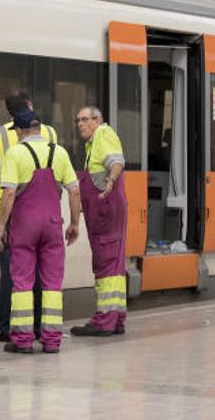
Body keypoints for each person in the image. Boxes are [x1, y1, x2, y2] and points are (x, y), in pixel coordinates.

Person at [0, 109, 81, 353]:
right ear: (40, 129)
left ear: (20, 131)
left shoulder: (16, 153)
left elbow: (9, 193)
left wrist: (2, 227)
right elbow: (74, 191)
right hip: (53, 225)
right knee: (52, 283)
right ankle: (52, 340)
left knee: (22, 282)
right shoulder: (60, 152)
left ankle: (23, 341)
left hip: (24, 227)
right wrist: (74, 223)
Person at [0, 91, 58, 342]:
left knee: (13, 272)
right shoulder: (51, 133)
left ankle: (8, 327)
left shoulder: (0, 135)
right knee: (42, 272)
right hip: (48, 212)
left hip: (16, 212)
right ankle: (39, 327)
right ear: (31, 106)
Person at [71, 106, 128, 336]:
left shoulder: (103, 134)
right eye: (77, 120)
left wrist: (111, 180)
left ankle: (104, 320)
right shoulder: (92, 144)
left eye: (85, 119)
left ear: (97, 120)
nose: (80, 124)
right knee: (113, 265)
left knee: (106, 264)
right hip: (103, 213)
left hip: (106, 212)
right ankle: (116, 319)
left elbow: (116, 161)